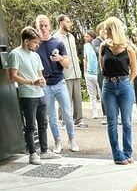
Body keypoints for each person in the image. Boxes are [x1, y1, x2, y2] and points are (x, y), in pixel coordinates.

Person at [8, 26, 61, 164]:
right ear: (26, 41)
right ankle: (32, 154)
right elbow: (13, 76)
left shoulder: (36, 55)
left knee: (43, 123)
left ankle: (44, 151)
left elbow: (40, 75)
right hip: (27, 95)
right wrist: (32, 82)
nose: (38, 45)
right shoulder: (15, 54)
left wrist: (42, 81)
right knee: (31, 126)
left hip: (40, 93)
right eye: (35, 42)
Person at [35, 14, 79, 153]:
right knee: (52, 116)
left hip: (60, 83)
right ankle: (57, 142)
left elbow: (67, 64)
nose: (43, 28)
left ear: (50, 26)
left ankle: (72, 140)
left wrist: (59, 58)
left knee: (67, 113)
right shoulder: (35, 45)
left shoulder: (58, 43)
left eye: (45, 25)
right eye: (40, 25)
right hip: (45, 85)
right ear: (37, 27)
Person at [99, 16, 137, 165]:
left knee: (127, 122)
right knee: (112, 122)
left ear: (112, 29)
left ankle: (127, 152)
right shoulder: (103, 47)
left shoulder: (128, 49)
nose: (104, 30)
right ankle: (117, 154)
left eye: (106, 28)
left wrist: (127, 83)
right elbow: (102, 66)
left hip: (124, 86)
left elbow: (134, 71)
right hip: (108, 86)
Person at [53, 15, 87, 128]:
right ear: (61, 23)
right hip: (64, 73)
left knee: (77, 98)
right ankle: (63, 121)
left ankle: (79, 119)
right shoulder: (56, 37)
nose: (70, 24)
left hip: (76, 72)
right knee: (64, 98)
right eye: (67, 22)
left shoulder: (72, 37)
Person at [92, 22, 107, 125]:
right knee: (104, 93)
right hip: (101, 71)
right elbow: (100, 52)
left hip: (113, 70)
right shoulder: (96, 41)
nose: (105, 31)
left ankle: (116, 115)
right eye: (103, 29)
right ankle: (106, 115)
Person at [83, 30, 100, 119]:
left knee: (101, 93)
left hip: (97, 73)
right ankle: (95, 112)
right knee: (92, 95)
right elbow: (85, 58)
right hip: (89, 73)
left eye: (87, 36)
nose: (85, 38)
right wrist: (85, 71)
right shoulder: (85, 46)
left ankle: (105, 113)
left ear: (92, 37)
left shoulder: (96, 45)